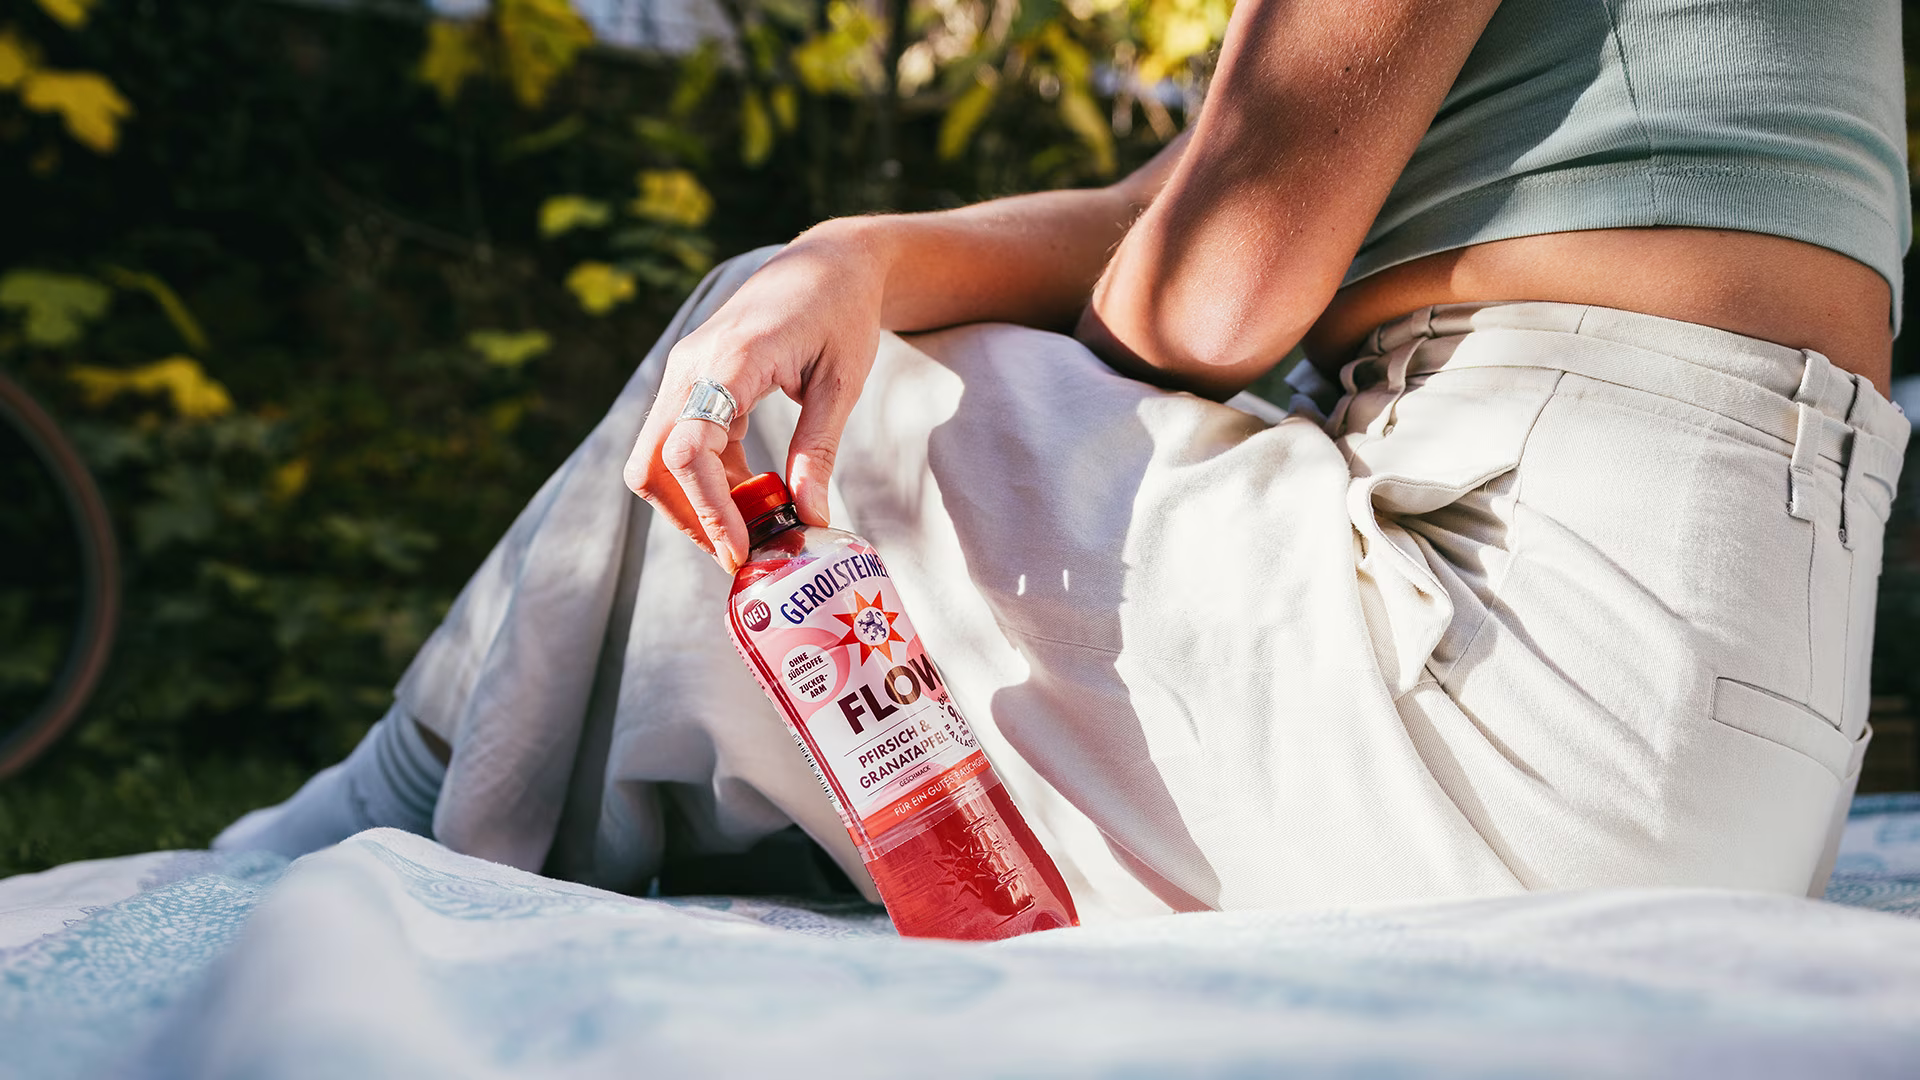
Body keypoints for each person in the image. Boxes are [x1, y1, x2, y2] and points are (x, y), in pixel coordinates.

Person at [217, 0, 1911, 922]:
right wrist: (858, 255)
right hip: (1724, 757)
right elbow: (1167, 216)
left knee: (793, 388)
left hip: (1514, 670)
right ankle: (510, 785)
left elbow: (1209, 294)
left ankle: (417, 801)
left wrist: (809, 285)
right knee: (810, 313)